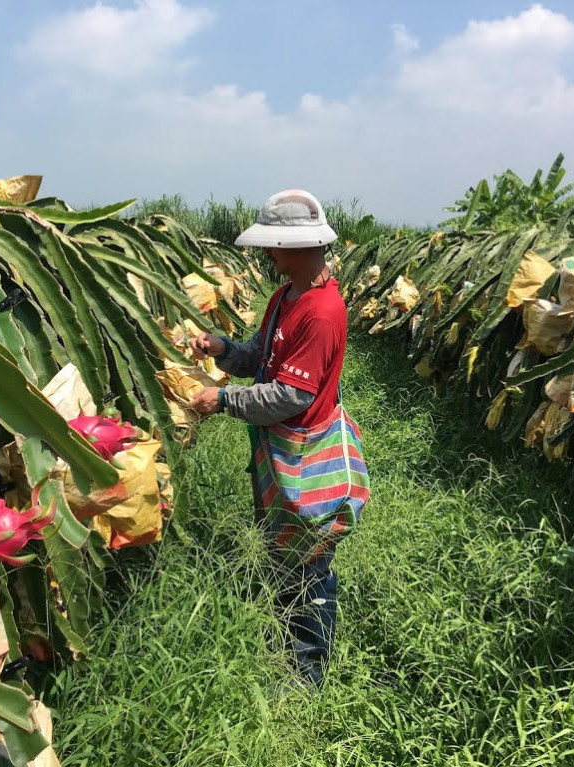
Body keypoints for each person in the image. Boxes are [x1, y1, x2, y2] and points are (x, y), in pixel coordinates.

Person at [187, 189, 369, 685]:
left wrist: (222, 400)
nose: (266, 254)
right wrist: (223, 349)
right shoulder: (286, 297)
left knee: (308, 563)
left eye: (273, 245)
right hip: (280, 449)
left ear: (299, 245)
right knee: (282, 551)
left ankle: (305, 676)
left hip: (305, 455)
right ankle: (283, 638)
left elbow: (289, 395)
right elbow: (261, 359)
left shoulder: (322, 312)